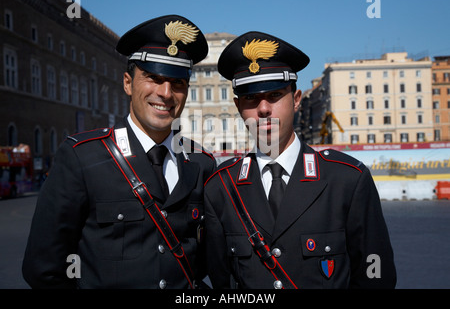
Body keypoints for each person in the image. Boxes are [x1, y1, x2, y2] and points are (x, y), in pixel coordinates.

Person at [22, 15, 216, 289]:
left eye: (178, 83)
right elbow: (43, 269)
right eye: (153, 77)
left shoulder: (200, 163)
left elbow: (206, 260)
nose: (165, 93)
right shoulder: (82, 157)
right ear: (128, 83)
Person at [204, 31, 396, 289]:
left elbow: (376, 278)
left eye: (274, 96)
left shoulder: (347, 180)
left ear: (296, 100)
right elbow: (222, 282)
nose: (263, 109)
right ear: (239, 107)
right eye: (251, 98)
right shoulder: (221, 188)